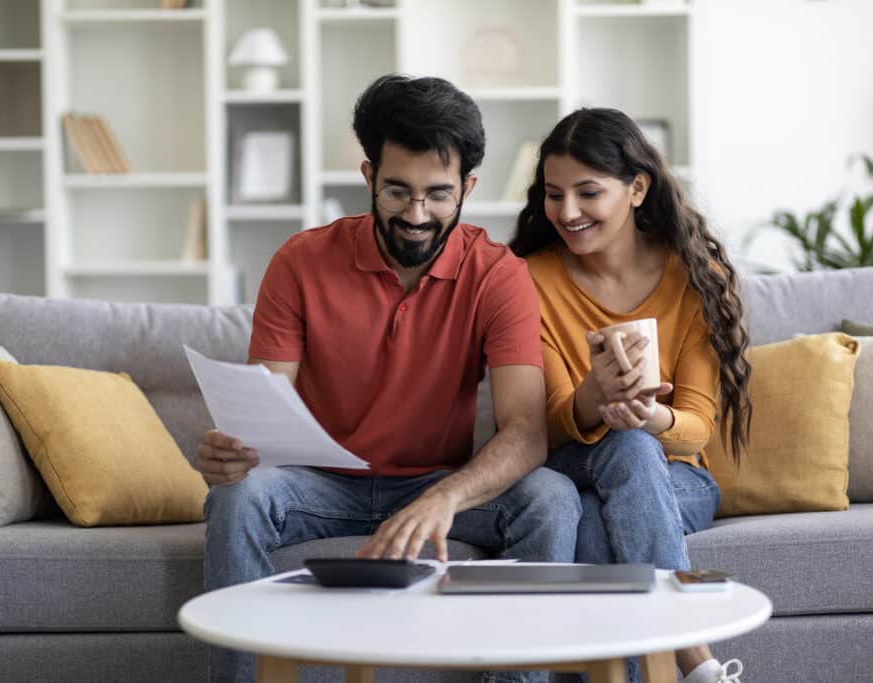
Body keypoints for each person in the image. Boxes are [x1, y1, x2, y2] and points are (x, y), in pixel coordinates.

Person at [198, 74, 581, 683]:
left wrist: (443, 498)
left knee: (551, 498)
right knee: (238, 496)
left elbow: (527, 433)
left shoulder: (498, 274)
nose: (417, 216)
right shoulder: (300, 261)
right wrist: (233, 453)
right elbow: (262, 410)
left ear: (468, 188)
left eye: (438, 195)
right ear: (369, 175)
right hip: (317, 486)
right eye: (397, 192)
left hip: (434, 481)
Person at [509, 108, 753, 683]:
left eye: (587, 193)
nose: (566, 212)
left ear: (637, 188)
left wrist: (652, 416)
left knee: (613, 490)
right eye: (553, 194)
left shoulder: (694, 276)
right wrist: (593, 399)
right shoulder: (528, 279)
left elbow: (697, 426)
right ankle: (695, 659)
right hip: (572, 463)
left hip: (678, 477)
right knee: (624, 447)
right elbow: (540, 422)